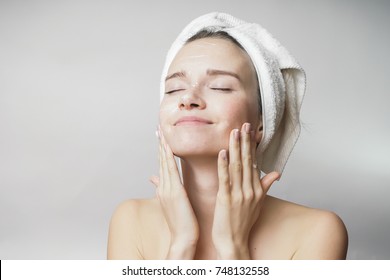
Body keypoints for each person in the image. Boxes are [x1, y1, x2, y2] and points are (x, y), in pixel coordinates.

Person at [107, 12, 348, 260]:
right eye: (174, 89)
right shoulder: (130, 222)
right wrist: (181, 244)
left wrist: (232, 247)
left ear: (263, 120)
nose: (187, 99)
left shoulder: (317, 232)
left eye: (220, 86)